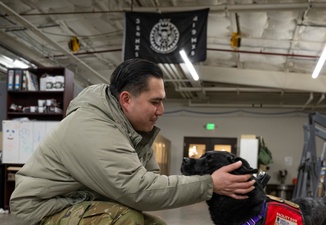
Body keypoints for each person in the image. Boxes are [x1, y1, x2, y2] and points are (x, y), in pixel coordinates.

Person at [10, 58, 255, 225]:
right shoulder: (93, 127)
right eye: (155, 101)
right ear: (126, 99)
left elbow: (153, 182)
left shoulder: (132, 129)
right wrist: (210, 184)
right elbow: (138, 189)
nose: (161, 110)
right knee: (126, 220)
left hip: (78, 200)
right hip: (42, 210)